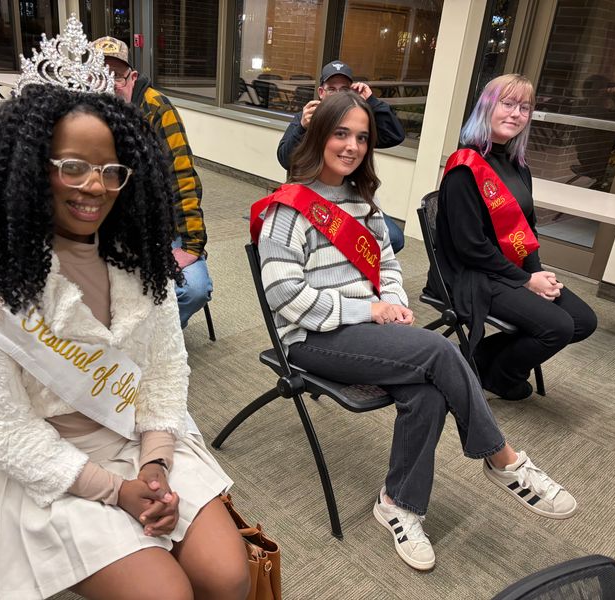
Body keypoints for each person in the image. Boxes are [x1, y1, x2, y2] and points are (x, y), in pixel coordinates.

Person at [0, 23, 249, 600]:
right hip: (47, 467)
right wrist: (114, 490)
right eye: (72, 166)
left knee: (229, 575)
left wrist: (154, 466)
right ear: (29, 167)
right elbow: (0, 430)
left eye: (111, 170)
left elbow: (167, 371)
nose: (94, 186)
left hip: (140, 440)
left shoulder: (139, 263)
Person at [254, 90, 576, 572]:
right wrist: (369, 312)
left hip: (367, 331)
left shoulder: (363, 200)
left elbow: (386, 263)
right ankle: (502, 458)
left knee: (426, 392)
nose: (352, 146)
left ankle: (398, 505)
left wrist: (396, 306)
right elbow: (287, 298)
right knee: (437, 352)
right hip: (312, 338)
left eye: (362, 137)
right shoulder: (286, 211)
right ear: (318, 135)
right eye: (341, 133)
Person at [432, 74, 597, 401]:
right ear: (487, 108)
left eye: (524, 107)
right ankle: (502, 377)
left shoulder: (516, 164)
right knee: (558, 327)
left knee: (582, 321)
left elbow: (527, 228)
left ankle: (480, 360)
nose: (516, 113)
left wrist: (535, 271)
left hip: (511, 270)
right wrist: (525, 280)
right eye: (507, 104)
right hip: (472, 275)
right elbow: (470, 248)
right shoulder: (465, 168)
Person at [93, 35, 211, 329]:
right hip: (104, 229)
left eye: (117, 77)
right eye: (99, 76)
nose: (109, 85)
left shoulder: (157, 109)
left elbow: (182, 177)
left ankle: (155, 338)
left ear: (132, 77)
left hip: (159, 228)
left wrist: (192, 246)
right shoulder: (81, 113)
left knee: (194, 289)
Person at [276, 60, 406, 252]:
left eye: (344, 89)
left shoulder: (356, 120)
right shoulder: (307, 117)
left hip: (350, 195)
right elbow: (285, 159)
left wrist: (372, 102)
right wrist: (303, 128)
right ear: (321, 92)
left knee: (394, 238)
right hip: (313, 198)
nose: (352, 145)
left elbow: (394, 135)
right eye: (331, 89)